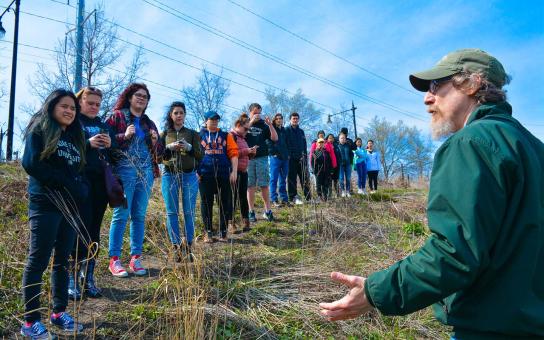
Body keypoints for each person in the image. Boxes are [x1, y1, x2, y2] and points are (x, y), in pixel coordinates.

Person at [319, 49, 544, 339]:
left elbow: (454, 254)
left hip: (492, 328)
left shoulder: (470, 144)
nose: (427, 98)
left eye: (437, 86)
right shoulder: (533, 147)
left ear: (473, 84)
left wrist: (375, 292)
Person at [21, 89, 87, 338]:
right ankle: (30, 322)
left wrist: (81, 188)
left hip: (69, 207)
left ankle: (59, 312)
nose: (70, 111)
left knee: (62, 261)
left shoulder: (73, 136)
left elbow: (77, 169)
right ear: (52, 107)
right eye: (65, 106)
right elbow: (31, 163)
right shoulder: (40, 128)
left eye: (73, 108)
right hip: (45, 204)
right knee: (38, 260)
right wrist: (62, 182)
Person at [106, 83, 162, 277]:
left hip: (146, 171)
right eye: (138, 95)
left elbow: (160, 154)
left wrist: (156, 142)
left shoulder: (149, 123)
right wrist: (124, 135)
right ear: (129, 97)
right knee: (121, 214)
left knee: (139, 215)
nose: (141, 98)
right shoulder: (117, 116)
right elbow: (106, 141)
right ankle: (114, 260)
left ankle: (135, 258)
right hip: (124, 170)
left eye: (145, 97)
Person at [67, 86, 112, 301]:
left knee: (94, 229)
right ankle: (71, 277)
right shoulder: (73, 122)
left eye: (97, 104)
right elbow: (65, 148)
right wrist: (87, 143)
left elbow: (113, 154)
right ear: (80, 101)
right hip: (79, 181)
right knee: (79, 229)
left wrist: (110, 145)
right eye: (90, 102)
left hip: (100, 183)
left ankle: (88, 277)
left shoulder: (103, 125)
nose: (94, 107)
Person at [160, 101, 202, 262]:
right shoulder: (164, 134)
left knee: (189, 212)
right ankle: (176, 247)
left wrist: (190, 147)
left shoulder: (192, 133)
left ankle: (189, 247)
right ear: (171, 115)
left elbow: (200, 155)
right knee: (172, 212)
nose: (179, 115)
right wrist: (169, 147)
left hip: (189, 175)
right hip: (169, 175)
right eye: (176, 113)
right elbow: (158, 157)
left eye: (181, 113)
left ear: (185, 115)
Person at [197, 110, 238, 243]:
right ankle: (208, 232)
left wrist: (234, 171)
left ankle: (223, 232)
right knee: (206, 203)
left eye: (216, 120)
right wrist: (196, 172)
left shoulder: (226, 136)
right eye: (211, 119)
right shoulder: (198, 136)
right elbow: (194, 156)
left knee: (224, 202)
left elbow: (234, 154)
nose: (214, 122)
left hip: (224, 174)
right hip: (205, 174)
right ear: (205, 121)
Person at [245, 103, 278, 222]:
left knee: (264, 184)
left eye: (259, 112)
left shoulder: (264, 125)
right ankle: (251, 211)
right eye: (255, 112)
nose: (257, 115)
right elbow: (240, 134)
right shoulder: (245, 122)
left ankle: (267, 211)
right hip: (248, 158)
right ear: (250, 112)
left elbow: (275, 138)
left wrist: (270, 124)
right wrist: (251, 122)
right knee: (250, 185)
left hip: (262, 158)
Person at [230, 113, 257, 233]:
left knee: (242, 197)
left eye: (248, 130)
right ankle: (231, 223)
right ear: (237, 125)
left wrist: (251, 153)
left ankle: (245, 222)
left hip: (243, 172)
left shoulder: (242, 138)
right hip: (233, 172)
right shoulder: (231, 136)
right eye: (245, 129)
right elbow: (232, 154)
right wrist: (247, 150)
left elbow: (244, 155)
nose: (247, 131)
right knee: (232, 197)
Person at [285, 112, 311, 204]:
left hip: (302, 158)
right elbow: (285, 144)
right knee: (292, 178)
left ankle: (308, 197)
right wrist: (289, 155)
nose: (295, 120)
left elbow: (304, 145)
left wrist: (305, 156)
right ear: (290, 120)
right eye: (293, 118)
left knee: (305, 178)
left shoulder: (301, 131)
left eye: (296, 118)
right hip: (291, 159)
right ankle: (293, 198)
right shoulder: (286, 130)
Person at [268, 113, 290, 207]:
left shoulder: (284, 130)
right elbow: (268, 142)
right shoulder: (271, 129)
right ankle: (274, 199)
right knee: (273, 179)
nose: (279, 120)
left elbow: (287, 143)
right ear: (274, 120)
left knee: (283, 179)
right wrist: (273, 153)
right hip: (275, 158)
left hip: (285, 158)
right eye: (277, 119)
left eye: (280, 118)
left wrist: (288, 154)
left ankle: (284, 199)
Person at [327, 133, 341, 197]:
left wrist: (339, 162)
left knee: (336, 180)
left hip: (336, 166)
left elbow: (339, 155)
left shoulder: (336, 146)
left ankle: (338, 194)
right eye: (329, 138)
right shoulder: (326, 146)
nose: (331, 139)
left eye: (332, 138)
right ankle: (329, 194)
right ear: (327, 139)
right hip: (329, 167)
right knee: (329, 181)